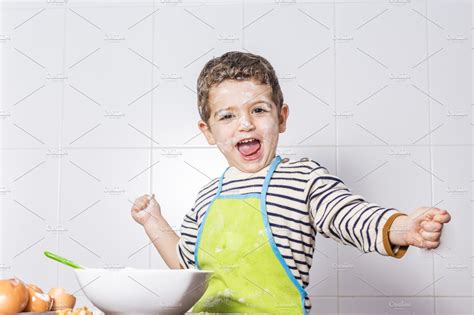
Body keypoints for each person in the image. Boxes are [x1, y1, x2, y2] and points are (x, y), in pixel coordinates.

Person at [131, 51, 451, 314]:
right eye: (227, 116)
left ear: (281, 118)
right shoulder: (205, 198)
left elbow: (350, 216)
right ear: (208, 132)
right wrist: (152, 222)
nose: (245, 124)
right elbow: (186, 267)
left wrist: (404, 228)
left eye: (258, 110)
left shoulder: (302, 179)